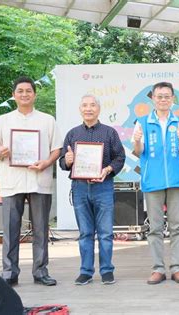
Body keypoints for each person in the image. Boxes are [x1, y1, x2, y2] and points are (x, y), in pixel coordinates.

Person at [0, 76, 62, 286]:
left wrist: (46, 162)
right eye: (20, 91)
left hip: (40, 179)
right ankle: (9, 273)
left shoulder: (47, 120)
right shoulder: (2, 120)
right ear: (13, 95)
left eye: (28, 91)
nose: (24, 94)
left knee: (41, 229)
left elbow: (57, 148)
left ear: (34, 94)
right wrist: (0, 153)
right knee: (10, 230)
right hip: (12, 181)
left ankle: (40, 272)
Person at [59, 94, 125, 285]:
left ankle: (106, 270)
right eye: (85, 105)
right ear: (80, 109)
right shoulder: (72, 134)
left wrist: (108, 169)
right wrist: (67, 161)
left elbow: (120, 157)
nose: (88, 108)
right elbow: (63, 162)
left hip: (103, 186)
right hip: (79, 188)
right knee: (85, 232)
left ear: (99, 109)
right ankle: (86, 271)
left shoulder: (109, 133)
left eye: (92, 105)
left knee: (105, 232)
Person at [132, 82, 179, 285]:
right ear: (153, 99)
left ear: (172, 99)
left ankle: (177, 268)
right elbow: (138, 152)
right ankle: (158, 268)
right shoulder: (142, 122)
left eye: (167, 96)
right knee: (155, 228)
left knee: (176, 226)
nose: (163, 99)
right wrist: (138, 141)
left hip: (175, 180)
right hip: (152, 180)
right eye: (159, 96)